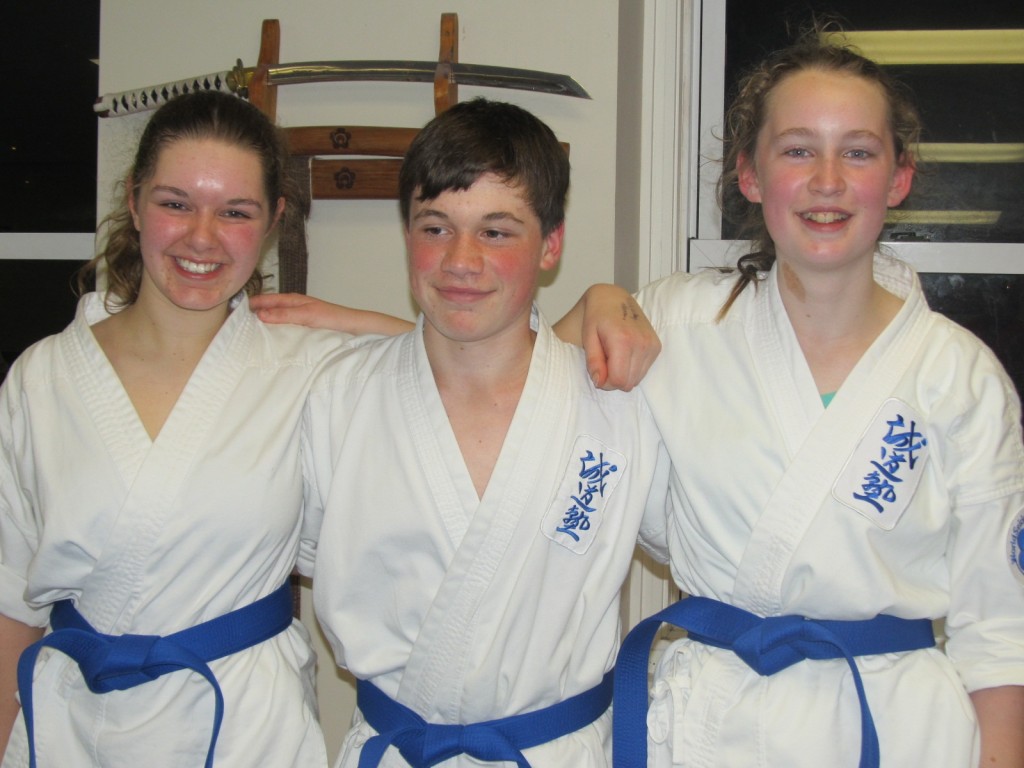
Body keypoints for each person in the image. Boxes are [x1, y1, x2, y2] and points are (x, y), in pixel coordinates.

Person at [597, 31, 1024, 768]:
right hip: (715, 722)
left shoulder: (960, 376)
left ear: (898, 178)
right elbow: (526, 398)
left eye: (858, 152)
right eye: (798, 150)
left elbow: (1000, 629)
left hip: (896, 727)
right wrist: (595, 302)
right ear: (750, 174)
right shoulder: (675, 324)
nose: (828, 180)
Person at [0, 90, 408, 767]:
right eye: (176, 203)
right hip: (74, 727)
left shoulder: (311, 368)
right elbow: (10, 602)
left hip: (245, 729)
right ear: (134, 202)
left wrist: (355, 322)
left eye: (235, 212)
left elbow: (484, 370)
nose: (202, 237)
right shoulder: (43, 378)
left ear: (274, 220)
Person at [299, 97, 666, 767]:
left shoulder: (618, 404)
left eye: (496, 232)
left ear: (551, 245)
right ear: (406, 234)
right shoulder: (336, 399)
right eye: (435, 227)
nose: (460, 260)